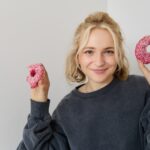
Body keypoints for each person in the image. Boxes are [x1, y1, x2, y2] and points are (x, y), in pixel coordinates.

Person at [17, 11, 150, 150]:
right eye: (89, 51)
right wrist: (38, 105)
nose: (99, 62)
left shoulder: (141, 89)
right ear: (77, 57)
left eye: (109, 51)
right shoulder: (66, 110)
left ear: (118, 55)